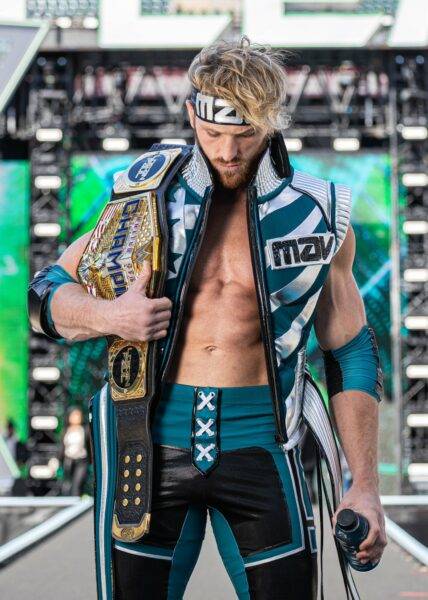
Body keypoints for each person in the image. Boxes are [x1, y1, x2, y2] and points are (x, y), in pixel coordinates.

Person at [28, 38, 387, 599]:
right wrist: (109, 314)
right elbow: (45, 295)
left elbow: (350, 351)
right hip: (149, 444)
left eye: (245, 135)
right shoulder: (144, 198)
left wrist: (364, 484)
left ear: (271, 122)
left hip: (263, 442)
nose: (227, 152)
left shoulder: (319, 213)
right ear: (192, 114)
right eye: (214, 132)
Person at [58, 406, 90, 496]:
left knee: (77, 483)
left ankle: (76, 500)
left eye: (78, 415)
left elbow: (89, 445)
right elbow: (62, 447)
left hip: (81, 460)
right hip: (69, 461)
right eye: (74, 415)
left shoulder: (85, 430)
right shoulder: (65, 430)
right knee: (68, 483)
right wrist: (58, 459)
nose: (76, 418)